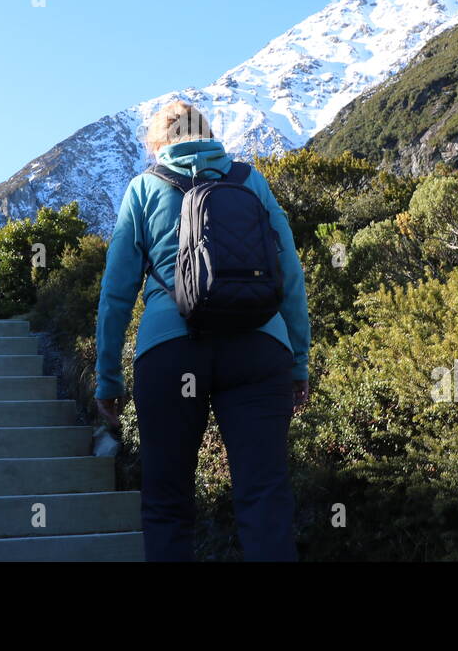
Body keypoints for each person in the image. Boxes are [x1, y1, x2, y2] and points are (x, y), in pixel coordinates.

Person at [93, 99, 311, 561]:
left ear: (159, 144)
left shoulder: (144, 187)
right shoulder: (251, 181)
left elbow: (116, 293)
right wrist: (298, 361)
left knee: (168, 501)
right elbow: (289, 274)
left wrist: (107, 378)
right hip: (258, 346)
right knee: (264, 497)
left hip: (171, 352)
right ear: (207, 134)